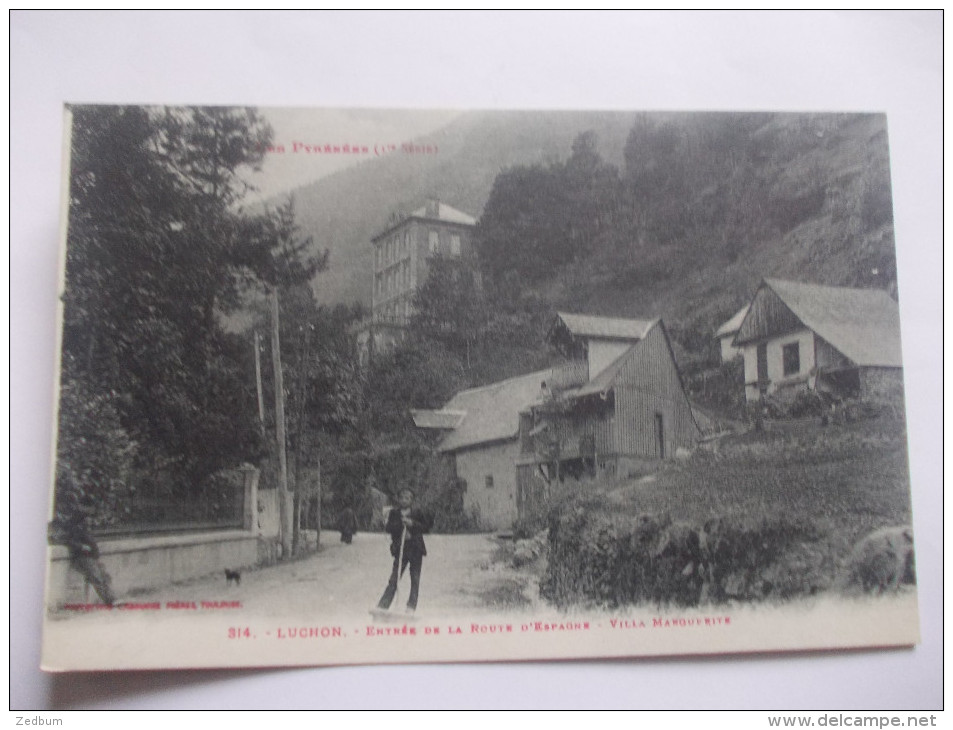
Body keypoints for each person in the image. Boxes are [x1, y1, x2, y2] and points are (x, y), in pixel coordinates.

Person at [48, 478, 117, 606]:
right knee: (96, 576)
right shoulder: (75, 521)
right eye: (89, 508)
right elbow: (70, 540)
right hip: (81, 556)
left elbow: (88, 538)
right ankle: (110, 601)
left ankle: (113, 599)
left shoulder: (84, 520)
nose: (91, 511)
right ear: (83, 507)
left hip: (90, 555)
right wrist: (82, 547)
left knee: (104, 576)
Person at [376, 487, 433, 613]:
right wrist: (401, 528)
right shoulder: (394, 513)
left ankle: (411, 606)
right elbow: (389, 528)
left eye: (407, 498)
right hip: (401, 550)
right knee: (394, 578)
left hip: (416, 549)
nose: (404, 500)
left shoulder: (417, 513)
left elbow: (426, 527)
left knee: (415, 579)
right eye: (402, 497)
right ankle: (383, 606)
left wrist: (412, 524)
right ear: (398, 499)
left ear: (412, 500)